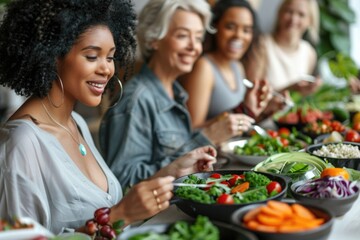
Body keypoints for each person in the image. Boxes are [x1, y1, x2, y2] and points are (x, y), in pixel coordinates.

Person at [0, 0, 217, 235]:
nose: (107, 69)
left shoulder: (77, 123)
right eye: (92, 56)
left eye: (111, 57)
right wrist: (119, 215)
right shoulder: (22, 143)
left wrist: (172, 172)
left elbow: (110, 205)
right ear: (52, 54)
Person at [100, 0, 239, 190]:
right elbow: (123, 182)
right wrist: (205, 139)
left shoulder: (175, 91)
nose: (194, 47)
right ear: (153, 39)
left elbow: (174, 152)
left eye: (198, 38)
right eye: (182, 35)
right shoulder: (136, 101)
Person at [179, 0, 271, 129]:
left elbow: (241, 121)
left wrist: (268, 110)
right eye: (230, 27)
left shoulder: (237, 66)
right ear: (215, 27)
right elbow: (193, 130)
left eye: (246, 30)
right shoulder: (204, 67)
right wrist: (242, 109)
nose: (238, 35)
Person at [245, 0, 322, 96]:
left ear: (310, 20)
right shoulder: (262, 45)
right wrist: (290, 89)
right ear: (279, 13)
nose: (293, 20)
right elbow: (252, 93)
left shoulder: (309, 52)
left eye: (301, 15)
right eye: (289, 12)